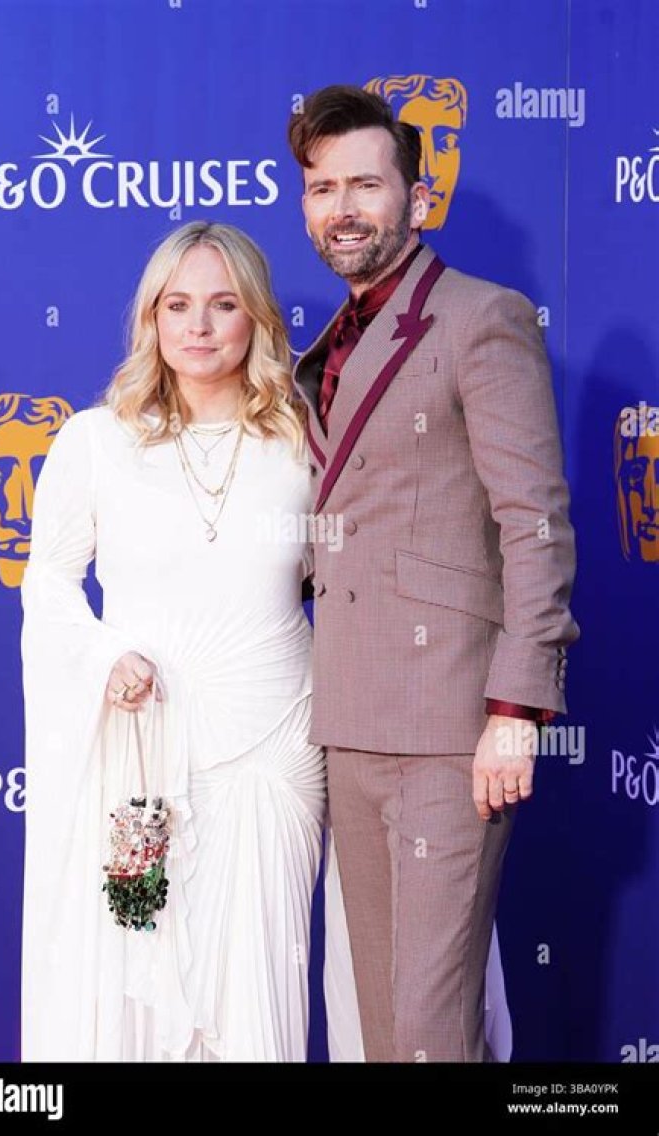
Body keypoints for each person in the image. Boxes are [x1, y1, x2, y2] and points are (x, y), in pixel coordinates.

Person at [288, 85, 579, 1062]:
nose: (342, 209)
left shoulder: (480, 317)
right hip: (349, 722)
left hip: (450, 725)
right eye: (322, 188)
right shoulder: (323, 350)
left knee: (428, 1024)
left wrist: (516, 708)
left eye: (365, 184)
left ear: (416, 198)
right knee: (383, 1023)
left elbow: (534, 523)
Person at [20, 221, 326, 1062]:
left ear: (257, 317)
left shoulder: (305, 440)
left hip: (274, 749)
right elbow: (47, 584)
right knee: (136, 976)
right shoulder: (96, 440)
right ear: (151, 318)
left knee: (258, 987)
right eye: (178, 305)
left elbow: (348, 577)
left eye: (223, 304)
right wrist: (101, 659)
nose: (199, 325)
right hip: (140, 754)